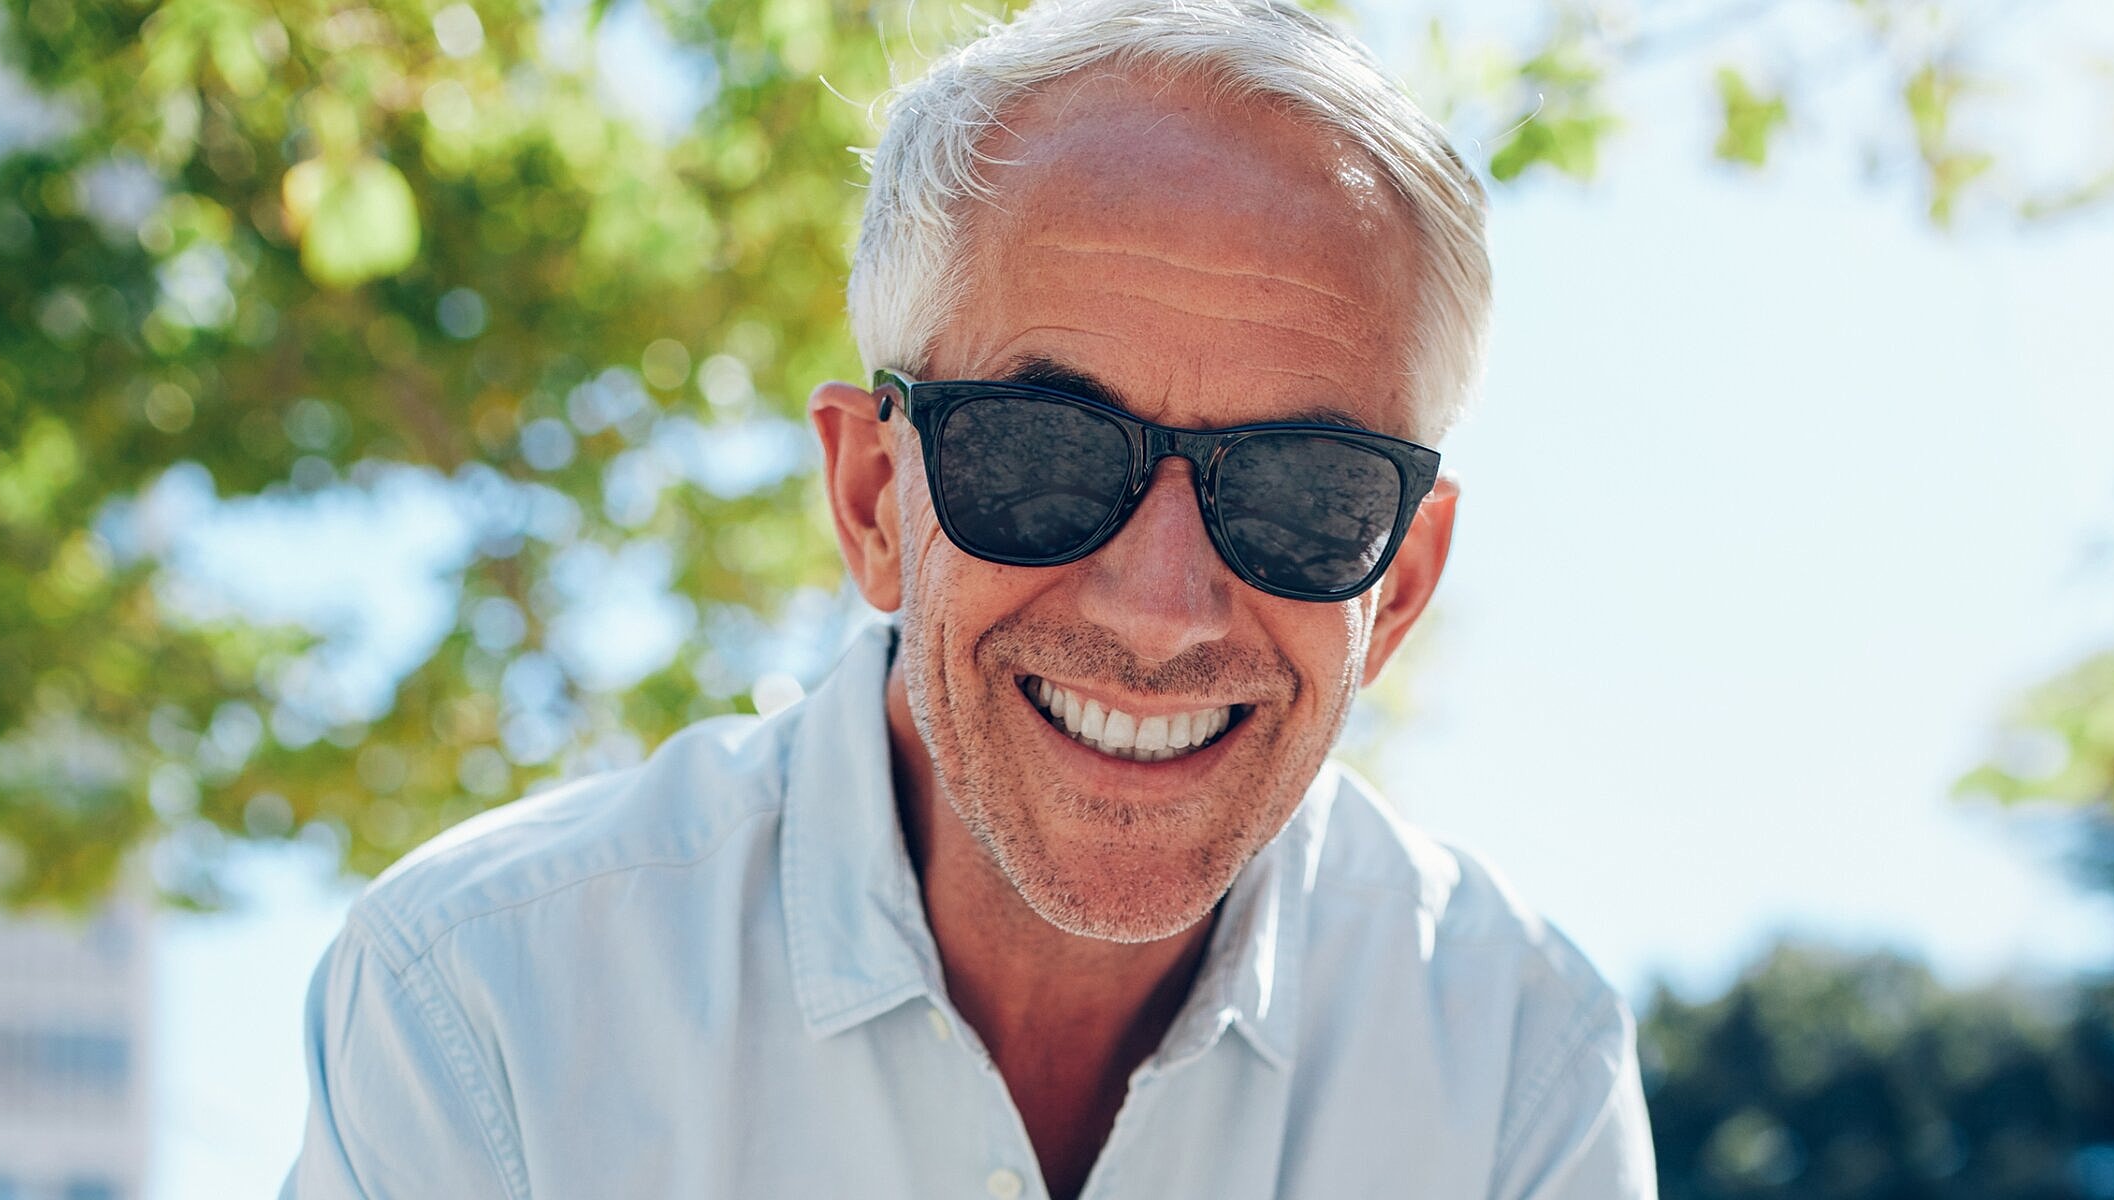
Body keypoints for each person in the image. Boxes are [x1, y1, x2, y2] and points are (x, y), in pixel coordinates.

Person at [282, 0, 1657, 1196]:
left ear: (1401, 583)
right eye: (1044, 453)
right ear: (874, 501)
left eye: (1307, 489)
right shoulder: (480, 1010)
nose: (1162, 608)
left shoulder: (1520, 1072)